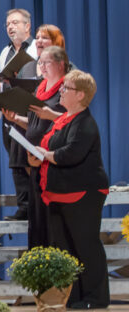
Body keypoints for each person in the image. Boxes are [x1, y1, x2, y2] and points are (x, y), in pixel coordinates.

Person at [27, 70, 110, 309]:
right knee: (66, 248)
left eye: (66, 88)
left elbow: (71, 154)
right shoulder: (65, 119)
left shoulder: (85, 123)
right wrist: (37, 157)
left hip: (83, 193)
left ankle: (96, 298)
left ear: (81, 95)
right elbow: (52, 148)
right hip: (61, 192)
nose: (61, 91)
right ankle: (73, 296)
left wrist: (44, 155)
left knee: (86, 245)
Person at [3, 45, 69, 248]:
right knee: (37, 220)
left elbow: (74, 121)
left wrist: (52, 115)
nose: (42, 66)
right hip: (35, 162)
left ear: (60, 65)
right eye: (40, 62)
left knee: (53, 223)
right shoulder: (39, 90)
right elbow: (35, 125)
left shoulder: (67, 90)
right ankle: (40, 261)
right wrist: (16, 120)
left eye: (46, 62)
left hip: (55, 163)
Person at [0, 9, 38, 220]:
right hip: (9, 112)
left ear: (27, 26)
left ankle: (37, 205)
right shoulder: (5, 52)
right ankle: (24, 206)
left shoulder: (36, 48)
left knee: (31, 158)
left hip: (31, 111)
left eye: (14, 23)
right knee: (16, 160)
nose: (10, 27)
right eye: (7, 24)